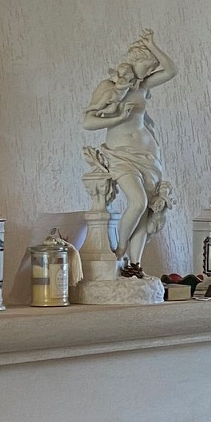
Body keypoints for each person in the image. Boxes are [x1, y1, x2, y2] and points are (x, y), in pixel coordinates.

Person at [81, 30, 178, 272]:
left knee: (146, 211)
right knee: (138, 201)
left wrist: (152, 45)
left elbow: (171, 70)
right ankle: (121, 247)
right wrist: (118, 118)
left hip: (148, 155)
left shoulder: (142, 85)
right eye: (148, 65)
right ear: (135, 60)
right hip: (120, 154)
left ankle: (135, 264)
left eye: (152, 67)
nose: (150, 70)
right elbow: (88, 122)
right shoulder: (110, 86)